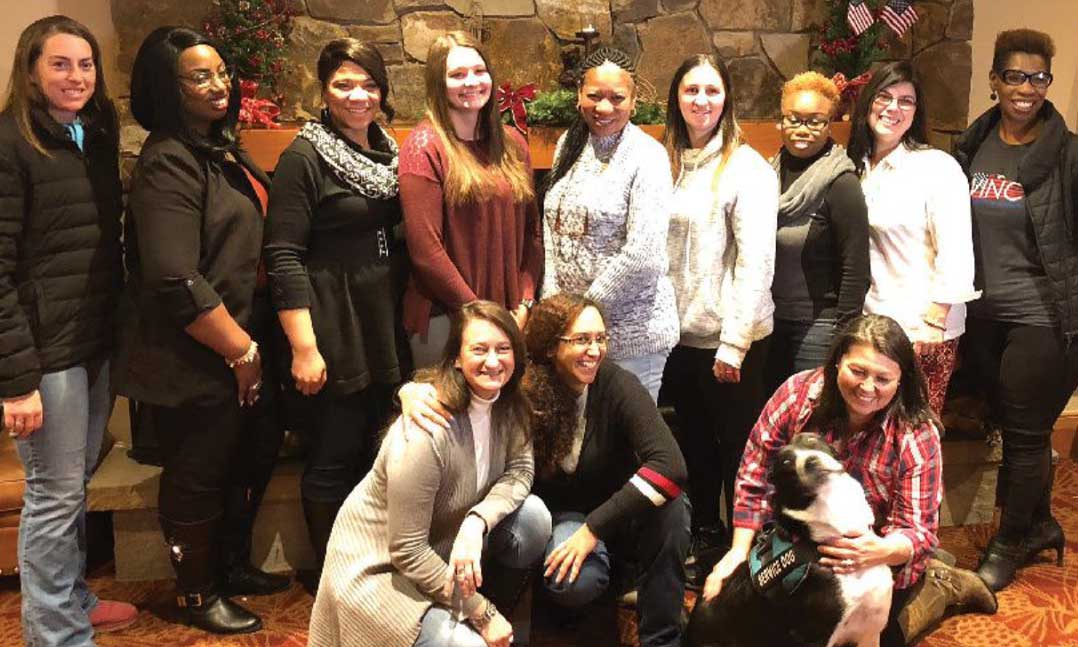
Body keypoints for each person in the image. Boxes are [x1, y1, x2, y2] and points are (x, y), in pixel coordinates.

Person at [113, 26, 280, 634]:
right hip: (196, 351)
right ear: (167, 86)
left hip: (241, 338)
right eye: (200, 76)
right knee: (198, 474)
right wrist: (239, 350)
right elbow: (172, 275)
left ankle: (231, 566)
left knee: (248, 457)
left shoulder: (218, 146)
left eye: (222, 73)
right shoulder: (168, 162)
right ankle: (195, 594)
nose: (220, 85)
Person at [403, 293, 689, 647]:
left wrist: (594, 528)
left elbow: (671, 466)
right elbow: (464, 384)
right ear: (552, 347)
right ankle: (574, 599)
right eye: (581, 340)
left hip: (615, 517)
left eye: (600, 339)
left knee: (673, 507)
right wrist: (410, 391)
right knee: (575, 582)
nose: (594, 350)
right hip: (558, 521)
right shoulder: (524, 387)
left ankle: (662, 639)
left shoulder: (616, 384)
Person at [702, 314, 997, 646]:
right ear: (837, 362)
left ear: (902, 379)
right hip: (797, 544)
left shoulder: (917, 433)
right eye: (858, 371)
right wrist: (738, 552)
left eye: (883, 378)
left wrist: (881, 550)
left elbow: (920, 532)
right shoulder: (798, 393)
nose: (867, 387)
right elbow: (755, 474)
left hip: (877, 555)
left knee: (880, 636)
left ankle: (939, 585)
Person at [0, 15, 137, 644]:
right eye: (60, 64)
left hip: (91, 341)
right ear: (30, 69)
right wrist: (16, 382)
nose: (76, 76)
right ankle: (54, 633)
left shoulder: (93, 134)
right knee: (53, 496)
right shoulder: (10, 145)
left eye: (85, 65)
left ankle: (73, 599)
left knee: (74, 484)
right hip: (43, 355)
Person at [307, 300, 551, 647]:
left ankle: (477, 619)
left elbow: (521, 471)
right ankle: (472, 622)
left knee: (533, 518)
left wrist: (476, 521)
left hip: (441, 545)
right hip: (380, 568)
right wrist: (482, 612)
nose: (493, 361)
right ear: (456, 357)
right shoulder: (427, 428)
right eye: (479, 349)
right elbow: (406, 550)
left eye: (503, 349)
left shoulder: (509, 406)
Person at [264, 37, 409, 594]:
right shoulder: (304, 157)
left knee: (379, 450)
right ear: (323, 92)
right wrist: (304, 347)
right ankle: (333, 580)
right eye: (345, 84)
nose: (359, 95)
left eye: (369, 84)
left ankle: (372, 564)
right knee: (332, 454)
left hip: (378, 320)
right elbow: (281, 254)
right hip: (331, 323)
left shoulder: (386, 151)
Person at [952, 28, 1078, 592]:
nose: (1026, 88)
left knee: (1027, 434)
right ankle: (1041, 522)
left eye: (1039, 78)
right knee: (1007, 424)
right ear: (995, 81)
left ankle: (1009, 541)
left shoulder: (1070, 155)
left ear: (1048, 84)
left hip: (1042, 318)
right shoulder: (972, 144)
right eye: (1015, 76)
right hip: (985, 316)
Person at [660, 53, 778, 550]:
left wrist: (733, 344)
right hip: (678, 338)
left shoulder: (746, 167)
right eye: (691, 90)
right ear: (676, 99)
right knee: (694, 451)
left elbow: (756, 262)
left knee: (737, 452)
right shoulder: (662, 160)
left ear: (726, 98)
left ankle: (743, 551)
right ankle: (705, 534)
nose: (701, 100)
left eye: (711, 90)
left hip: (732, 343)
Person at [540, 46, 678, 401]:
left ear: (633, 102)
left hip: (632, 337)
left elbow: (643, 254)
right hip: (573, 334)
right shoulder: (569, 144)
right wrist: (553, 305)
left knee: (625, 446)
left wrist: (582, 312)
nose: (604, 108)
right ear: (578, 97)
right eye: (594, 96)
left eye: (617, 98)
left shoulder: (648, 157)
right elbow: (553, 230)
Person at [399, 31, 542, 369]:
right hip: (446, 318)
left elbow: (532, 235)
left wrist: (523, 303)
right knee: (446, 419)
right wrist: (480, 315)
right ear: (438, 83)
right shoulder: (424, 146)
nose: (472, 82)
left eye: (479, 71)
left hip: (508, 315)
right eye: (457, 75)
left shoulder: (512, 144)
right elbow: (426, 251)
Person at [847, 61, 979, 415]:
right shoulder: (854, 167)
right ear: (868, 103)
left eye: (906, 101)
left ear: (916, 112)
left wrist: (933, 324)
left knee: (914, 437)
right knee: (870, 440)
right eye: (884, 97)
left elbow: (956, 251)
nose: (893, 108)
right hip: (870, 325)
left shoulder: (936, 167)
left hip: (921, 329)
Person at [766, 71, 870, 393]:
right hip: (768, 322)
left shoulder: (841, 183)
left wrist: (842, 337)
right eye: (794, 119)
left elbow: (856, 269)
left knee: (807, 422)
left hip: (817, 327)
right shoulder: (765, 174)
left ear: (829, 125)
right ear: (781, 121)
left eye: (815, 121)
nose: (802, 129)